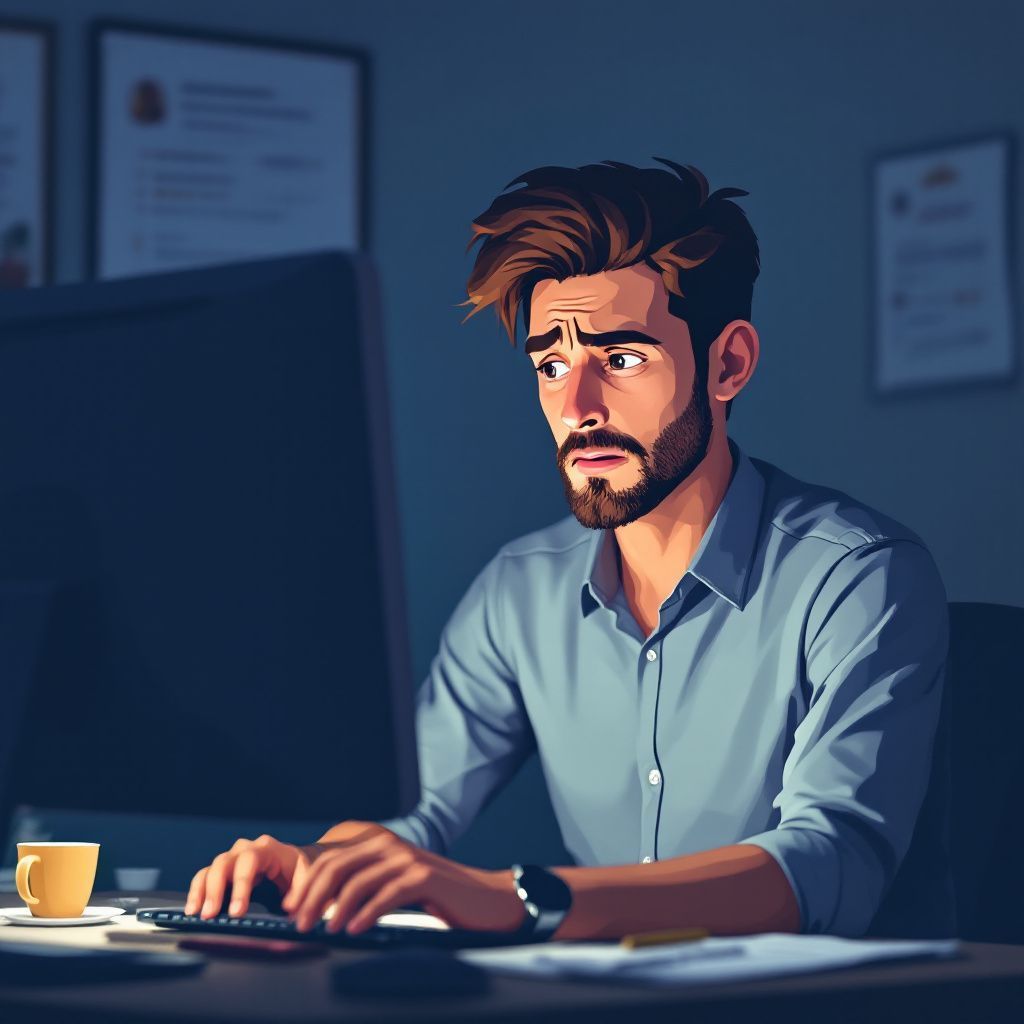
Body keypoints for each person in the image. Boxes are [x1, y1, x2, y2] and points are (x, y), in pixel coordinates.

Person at [185, 159, 953, 941]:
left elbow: (828, 863)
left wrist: (520, 898)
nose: (577, 406)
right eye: (551, 365)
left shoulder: (856, 575)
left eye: (621, 359)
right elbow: (411, 815)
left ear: (728, 364)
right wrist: (318, 864)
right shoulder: (520, 591)